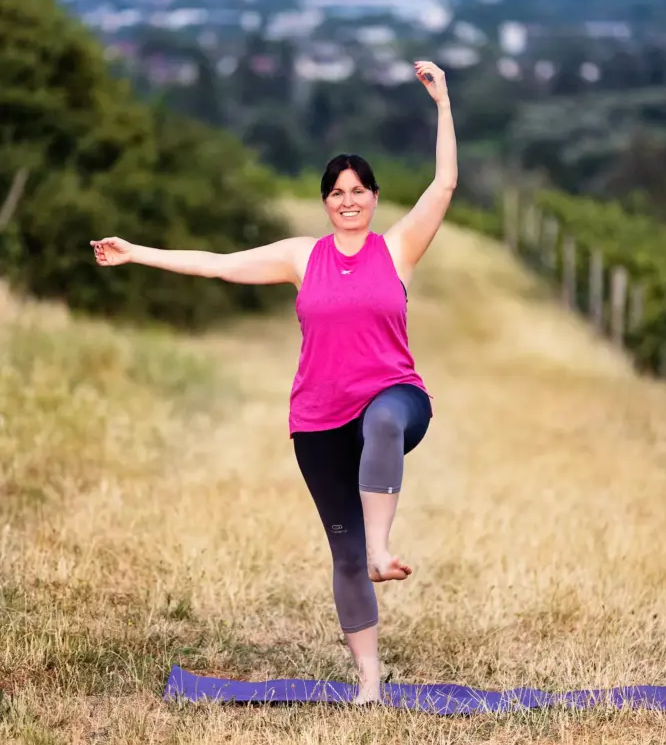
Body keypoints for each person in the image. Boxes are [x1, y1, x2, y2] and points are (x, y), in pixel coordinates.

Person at [91, 60, 458, 703]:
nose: (349, 200)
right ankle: (369, 683)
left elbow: (445, 183)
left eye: (359, 190)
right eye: (337, 192)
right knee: (344, 556)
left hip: (396, 398)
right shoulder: (301, 257)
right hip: (318, 419)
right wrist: (136, 252)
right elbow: (218, 265)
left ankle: (382, 547)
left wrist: (443, 104)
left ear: (375, 198)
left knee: (382, 421)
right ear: (326, 203)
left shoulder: (398, 248)